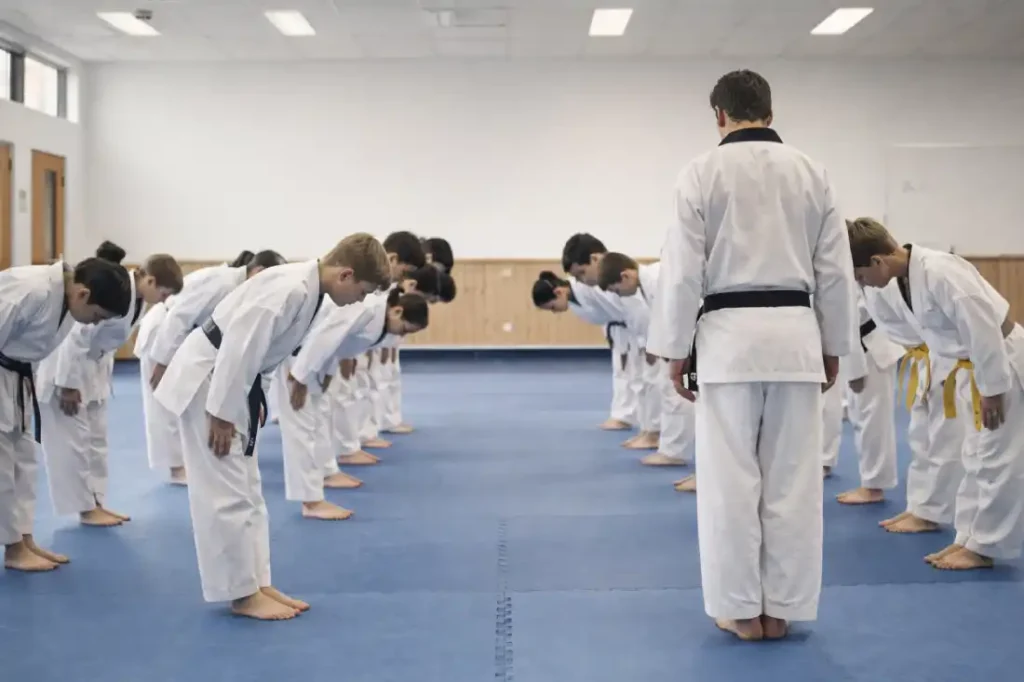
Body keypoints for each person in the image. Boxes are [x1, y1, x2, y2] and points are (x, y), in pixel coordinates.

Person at [647, 69, 856, 641]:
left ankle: (740, 609)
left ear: (719, 115)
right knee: (792, 481)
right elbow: (834, 271)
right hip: (795, 335)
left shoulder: (700, 172)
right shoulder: (812, 172)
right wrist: (835, 345)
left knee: (729, 482)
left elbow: (683, 269)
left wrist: (673, 348)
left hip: (728, 339)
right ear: (770, 109)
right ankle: (782, 608)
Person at [153, 232, 390, 620]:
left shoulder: (308, 288)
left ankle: (256, 581)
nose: (361, 301)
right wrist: (224, 412)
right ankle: (240, 593)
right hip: (210, 382)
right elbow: (239, 346)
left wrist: (255, 397)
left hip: (230, 382)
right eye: (363, 292)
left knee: (248, 489)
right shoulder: (293, 288)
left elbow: (262, 352)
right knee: (224, 490)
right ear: (346, 275)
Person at [848, 217, 1024, 570]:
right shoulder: (908, 277)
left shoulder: (941, 271)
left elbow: (983, 327)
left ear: (877, 261)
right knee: (974, 454)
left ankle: (987, 545)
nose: (863, 284)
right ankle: (968, 538)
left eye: (862, 276)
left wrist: (992, 388)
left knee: (997, 457)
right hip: (965, 367)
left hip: (998, 363)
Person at [37, 245, 183, 528]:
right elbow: (75, 336)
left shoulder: (135, 297)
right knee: (73, 443)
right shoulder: (116, 290)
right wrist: (68, 384)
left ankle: (97, 502)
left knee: (96, 440)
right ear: (150, 280)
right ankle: (84, 508)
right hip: (65, 372)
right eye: (162, 294)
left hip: (94, 371)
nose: (161, 301)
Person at [1, 258, 132, 571]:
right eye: (97, 316)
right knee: (2, 467)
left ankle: (24, 538)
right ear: (84, 294)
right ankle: (13, 548)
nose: (93, 324)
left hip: (18, 378)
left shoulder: (65, 299)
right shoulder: (30, 291)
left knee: (24, 461)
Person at [279, 288, 429, 519]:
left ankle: (326, 472)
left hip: (315, 358)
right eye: (405, 329)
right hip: (298, 355)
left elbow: (335, 345)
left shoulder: (378, 317)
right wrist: (299, 376)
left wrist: (329, 373)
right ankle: (311, 502)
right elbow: (323, 337)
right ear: (397, 311)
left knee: (321, 416)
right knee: (301, 424)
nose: (403, 335)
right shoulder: (366, 312)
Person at [862, 279, 966, 533]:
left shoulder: (917, 277)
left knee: (944, 438)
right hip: (924, 357)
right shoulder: (882, 280)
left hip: (947, 357)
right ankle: (918, 506)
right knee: (920, 437)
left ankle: (932, 512)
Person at [599, 252, 696, 468]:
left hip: (694, 336)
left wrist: (675, 350)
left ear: (625, 276)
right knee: (669, 389)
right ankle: (671, 448)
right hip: (680, 339)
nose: (621, 296)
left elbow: (682, 312)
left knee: (677, 392)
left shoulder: (660, 277)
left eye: (617, 290)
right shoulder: (647, 283)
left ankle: (675, 452)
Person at [532, 271, 639, 431]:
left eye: (552, 307)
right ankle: (622, 417)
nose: (555, 312)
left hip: (635, 326)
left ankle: (645, 422)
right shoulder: (575, 298)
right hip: (620, 331)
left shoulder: (588, 288)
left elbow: (626, 306)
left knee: (639, 376)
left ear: (559, 292)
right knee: (622, 373)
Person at [352, 232, 426, 452]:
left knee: (363, 388)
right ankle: (348, 447)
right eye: (404, 271)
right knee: (346, 394)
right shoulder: (363, 279)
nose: (404, 278)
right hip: (340, 348)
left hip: (356, 347)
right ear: (392, 259)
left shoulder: (385, 286)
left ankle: (357, 440)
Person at [833, 290, 904, 504]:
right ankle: (872, 482)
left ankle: (874, 486)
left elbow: (849, 319)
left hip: (867, 347)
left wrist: (855, 369)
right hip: (862, 344)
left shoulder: (844, 265)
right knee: (862, 416)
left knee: (871, 419)